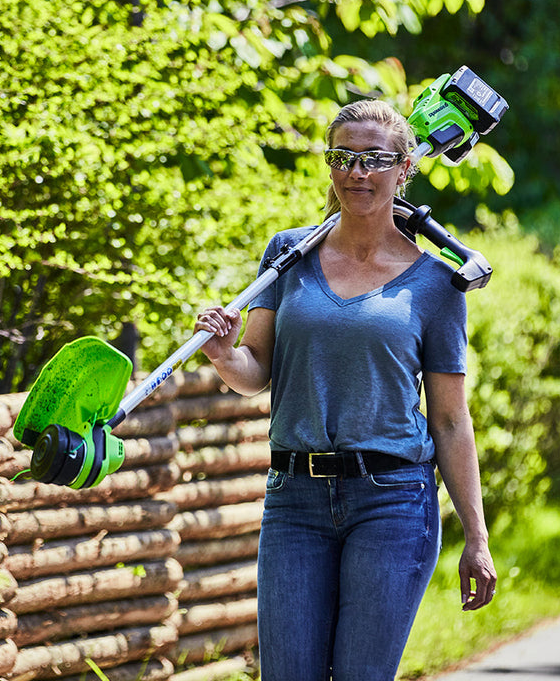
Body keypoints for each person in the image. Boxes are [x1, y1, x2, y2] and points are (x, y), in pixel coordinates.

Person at [193, 99, 496, 681]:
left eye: (375, 159)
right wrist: (224, 354)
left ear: (404, 168)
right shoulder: (288, 255)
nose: (359, 172)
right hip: (295, 499)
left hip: (392, 500)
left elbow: (452, 421)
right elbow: (256, 371)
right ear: (331, 166)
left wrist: (476, 538)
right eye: (345, 157)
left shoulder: (437, 283)